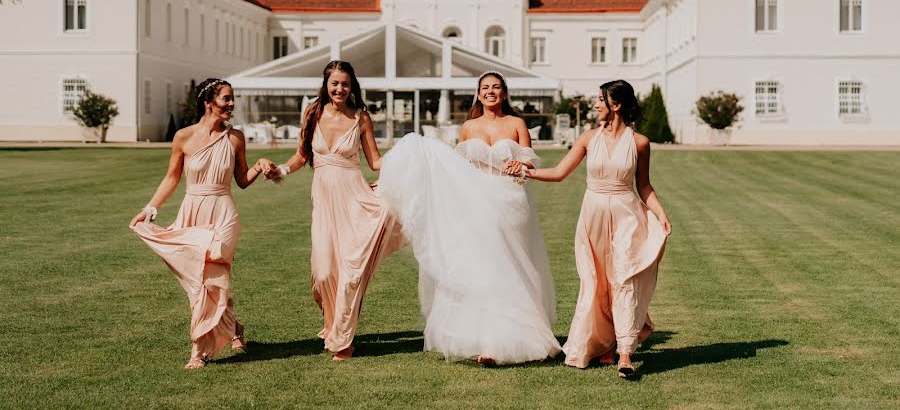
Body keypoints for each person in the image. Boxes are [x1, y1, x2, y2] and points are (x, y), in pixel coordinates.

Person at [378, 71, 561, 365]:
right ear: (478, 93)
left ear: (504, 93)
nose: (491, 92)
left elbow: (531, 160)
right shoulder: (468, 126)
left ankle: (520, 334)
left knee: (511, 265)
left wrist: (521, 164)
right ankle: (486, 340)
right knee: (482, 267)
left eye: (496, 87)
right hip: (476, 203)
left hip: (511, 201)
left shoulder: (516, 123)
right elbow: (455, 168)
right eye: (485, 88)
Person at [523, 79, 671, 378]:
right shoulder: (588, 137)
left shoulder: (639, 142)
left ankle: (625, 353)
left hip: (627, 214)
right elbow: (560, 172)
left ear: (615, 104)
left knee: (623, 278)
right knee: (596, 281)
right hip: (592, 217)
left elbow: (643, 185)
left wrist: (661, 214)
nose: (595, 105)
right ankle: (603, 343)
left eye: (600, 100)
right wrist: (527, 171)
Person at [129, 78, 276, 369]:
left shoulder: (235, 138)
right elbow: (172, 178)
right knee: (202, 282)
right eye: (226, 99)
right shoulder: (183, 137)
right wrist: (150, 209)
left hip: (223, 213)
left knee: (211, 277)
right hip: (193, 210)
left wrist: (259, 166)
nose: (231, 104)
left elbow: (242, 181)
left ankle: (200, 349)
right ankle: (234, 327)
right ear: (208, 103)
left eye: (232, 99)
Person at [265, 61, 402, 361]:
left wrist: (406, 160)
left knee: (351, 272)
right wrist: (283, 170)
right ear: (326, 84)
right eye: (335, 83)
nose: (340, 89)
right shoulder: (312, 112)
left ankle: (342, 339)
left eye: (345, 84)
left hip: (355, 200)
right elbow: (303, 154)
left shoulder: (361, 117)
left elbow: (375, 161)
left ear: (353, 86)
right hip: (324, 202)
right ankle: (333, 325)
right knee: (324, 273)